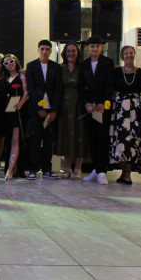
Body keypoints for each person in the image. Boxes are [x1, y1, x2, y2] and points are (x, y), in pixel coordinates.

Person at [109, 45, 141, 184]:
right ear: (122, 56)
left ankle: (127, 173)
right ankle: (122, 171)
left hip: (134, 112)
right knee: (121, 140)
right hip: (120, 111)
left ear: (134, 54)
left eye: (131, 53)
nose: (129, 56)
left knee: (132, 140)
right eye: (126, 53)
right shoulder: (116, 71)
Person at [79, 36, 115, 185]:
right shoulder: (83, 65)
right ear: (88, 48)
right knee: (92, 139)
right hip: (89, 109)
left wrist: (103, 103)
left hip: (102, 108)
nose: (95, 49)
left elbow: (110, 85)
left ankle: (102, 171)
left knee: (102, 138)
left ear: (101, 47)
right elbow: (81, 87)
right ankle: (96, 169)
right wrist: (86, 103)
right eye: (92, 46)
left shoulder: (108, 63)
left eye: (97, 46)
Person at [25, 40, 63, 180]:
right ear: (38, 50)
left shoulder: (56, 67)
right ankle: (33, 169)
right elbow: (31, 89)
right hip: (36, 111)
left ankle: (48, 169)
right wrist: (39, 108)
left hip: (51, 111)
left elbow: (58, 90)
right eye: (42, 49)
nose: (44, 52)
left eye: (47, 49)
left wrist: (54, 110)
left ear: (51, 51)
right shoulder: (31, 66)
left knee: (49, 141)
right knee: (35, 141)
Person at [54, 42, 87, 180]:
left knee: (80, 135)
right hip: (64, 106)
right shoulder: (60, 68)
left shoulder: (83, 67)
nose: (71, 54)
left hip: (80, 105)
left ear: (77, 53)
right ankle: (67, 168)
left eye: (73, 51)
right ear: (64, 53)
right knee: (65, 135)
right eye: (68, 51)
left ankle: (78, 168)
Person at [2, 53, 28, 179]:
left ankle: (10, 169)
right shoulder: (5, 79)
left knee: (16, 140)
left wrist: (20, 104)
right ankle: (12, 167)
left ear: (16, 61)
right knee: (10, 140)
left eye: (11, 61)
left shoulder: (22, 75)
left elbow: (26, 93)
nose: (10, 64)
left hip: (19, 111)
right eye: (6, 63)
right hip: (8, 112)